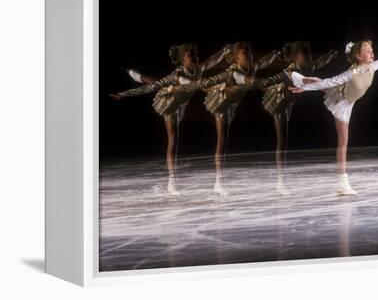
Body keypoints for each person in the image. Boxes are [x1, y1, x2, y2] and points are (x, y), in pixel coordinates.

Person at [110, 44, 230, 195]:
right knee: (173, 139)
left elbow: (213, 60)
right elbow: (199, 86)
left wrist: (225, 51)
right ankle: (171, 181)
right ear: (182, 60)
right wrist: (125, 94)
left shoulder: (198, 68)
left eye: (195, 54)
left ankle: (135, 74)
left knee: (151, 81)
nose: (194, 57)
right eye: (189, 55)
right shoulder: (178, 75)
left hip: (182, 104)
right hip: (170, 103)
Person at [291, 40, 378, 195]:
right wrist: (305, 89)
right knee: (343, 140)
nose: (372, 52)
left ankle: (302, 79)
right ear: (358, 56)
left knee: (325, 86)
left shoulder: (372, 66)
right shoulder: (353, 72)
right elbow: (331, 81)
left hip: (348, 99)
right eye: (367, 51)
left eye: (371, 49)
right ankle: (343, 182)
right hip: (341, 100)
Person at [197, 42, 281, 196]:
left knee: (225, 139)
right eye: (244, 53)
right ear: (236, 57)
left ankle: (219, 180)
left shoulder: (252, 66)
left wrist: (274, 54)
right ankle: (218, 182)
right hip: (221, 102)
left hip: (233, 104)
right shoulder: (233, 72)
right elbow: (251, 82)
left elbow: (263, 62)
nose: (249, 54)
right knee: (221, 140)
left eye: (249, 51)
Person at [261, 41, 338, 195]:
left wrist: (331, 54)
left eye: (309, 52)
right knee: (282, 139)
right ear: (296, 56)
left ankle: (281, 180)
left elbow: (320, 62)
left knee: (285, 139)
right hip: (279, 102)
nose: (309, 56)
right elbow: (265, 82)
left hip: (289, 102)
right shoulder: (289, 71)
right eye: (305, 53)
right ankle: (280, 181)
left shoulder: (308, 66)